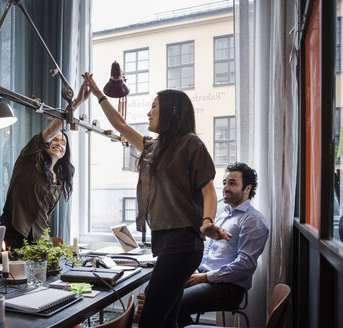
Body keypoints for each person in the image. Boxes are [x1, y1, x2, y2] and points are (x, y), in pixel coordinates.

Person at [82, 72, 231, 328]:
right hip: (167, 243)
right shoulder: (154, 147)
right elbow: (121, 126)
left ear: (173, 112)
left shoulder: (191, 144)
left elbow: (208, 189)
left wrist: (207, 221)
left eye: (154, 107)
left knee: (150, 318)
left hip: (184, 243)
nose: (149, 114)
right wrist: (98, 94)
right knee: (166, 318)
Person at [177, 162, 269, 327]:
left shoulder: (253, 220)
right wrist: (197, 269)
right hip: (206, 278)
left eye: (232, 183)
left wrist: (204, 277)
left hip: (228, 289)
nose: (225, 187)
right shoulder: (223, 215)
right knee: (157, 293)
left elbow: (245, 265)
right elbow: (209, 251)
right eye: (225, 182)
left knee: (173, 304)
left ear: (247, 189)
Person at [0, 80, 91, 249]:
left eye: (63, 142)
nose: (59, 144)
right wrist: (77, 102)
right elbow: (49, 132)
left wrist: (46, 243)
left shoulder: (61, 177)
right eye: (55, 140)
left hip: (40, 240)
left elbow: (45, 214)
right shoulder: (29, 158)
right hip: (15, 233)